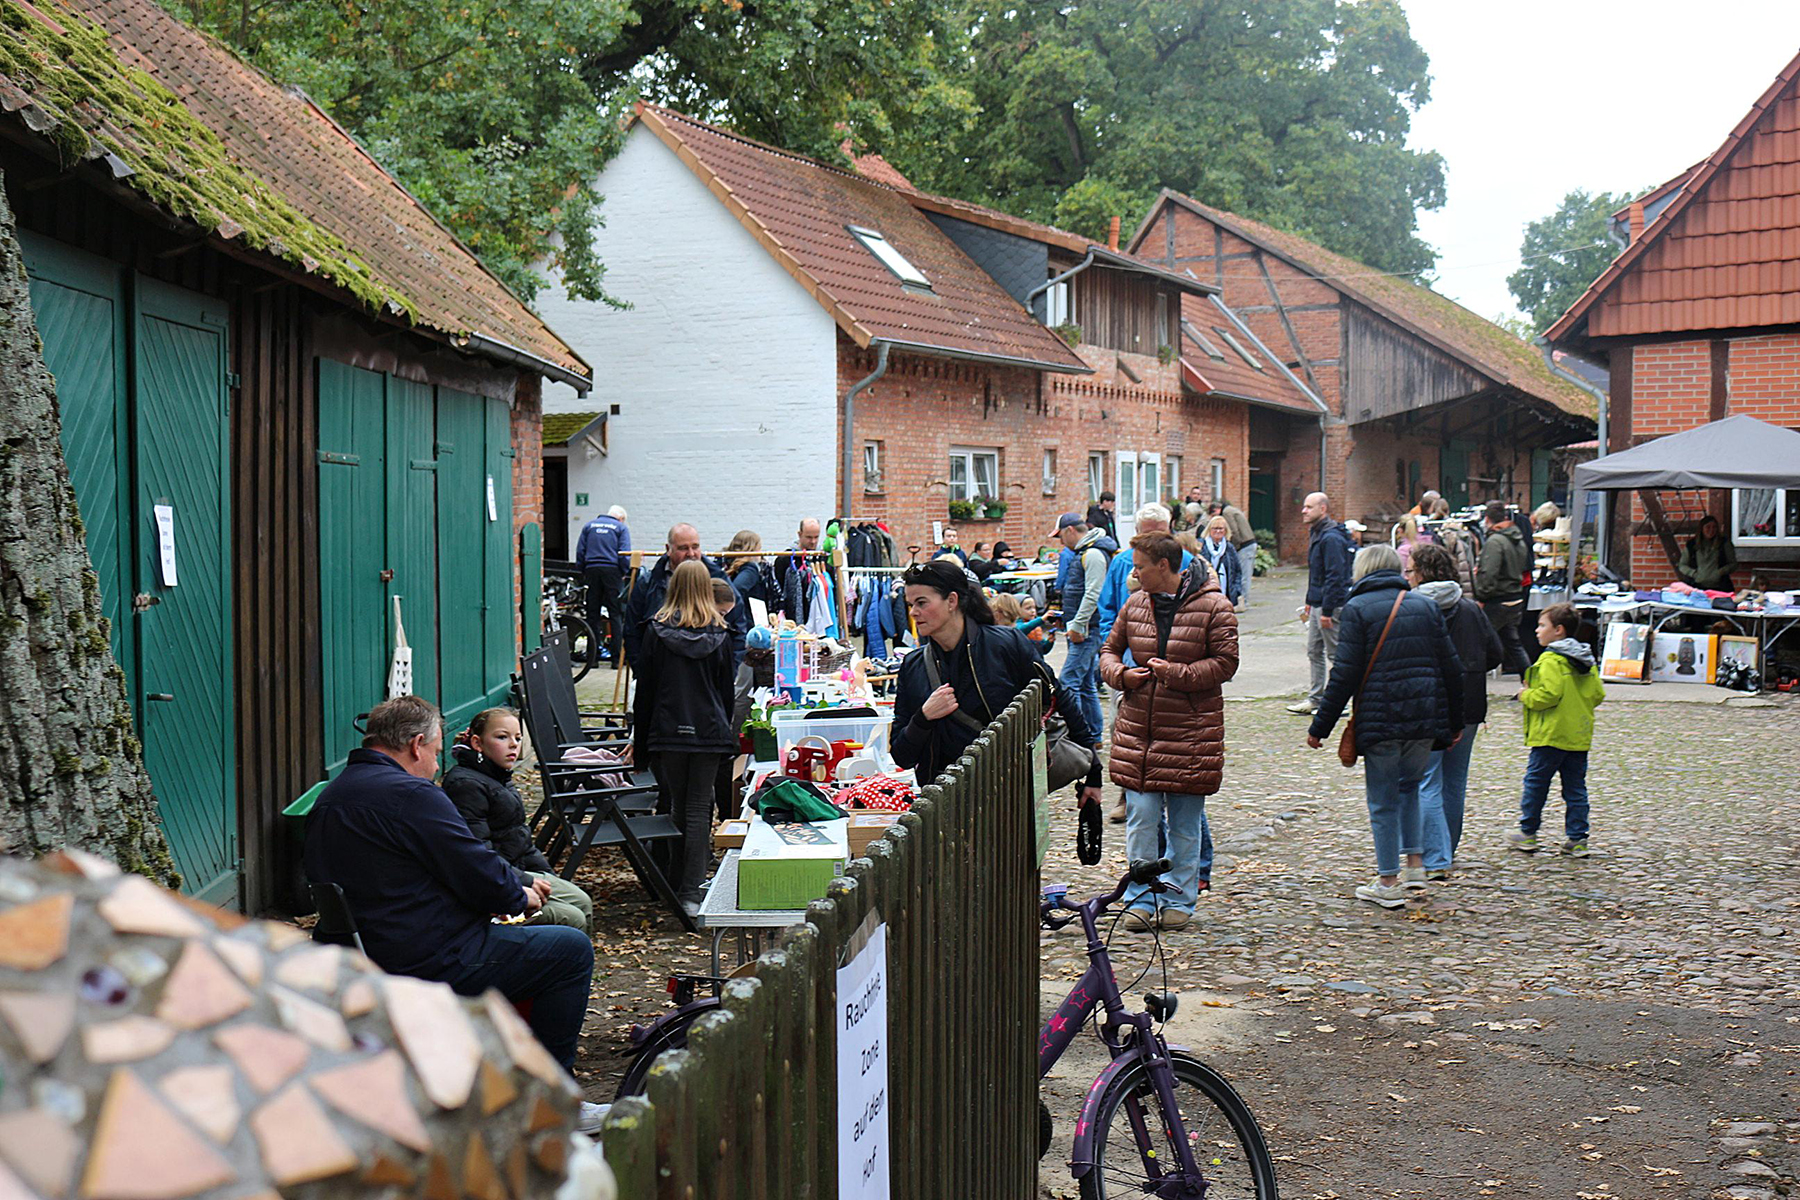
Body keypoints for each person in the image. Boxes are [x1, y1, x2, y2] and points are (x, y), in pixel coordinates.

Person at [303, 696, 603, 1129]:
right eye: (436, 752)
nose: (435, 765)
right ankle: (554, 1104)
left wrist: (507, 885)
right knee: (569, 950)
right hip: (424, 957)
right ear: (416, 745)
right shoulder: (412, 794)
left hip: (357, 954)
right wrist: (518, 895)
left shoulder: (332, 796)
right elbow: (476, 871)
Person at [1305, 544, 1465, 908]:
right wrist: (1454, 722)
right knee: (1410, 788)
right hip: (1424, 716)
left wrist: (1321, 726)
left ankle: (1388, 881)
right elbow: (1451, 668)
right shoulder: (1425, 605)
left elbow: (1345, 673)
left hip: (1382, 717)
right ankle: (1415, 866)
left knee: (1382, 800)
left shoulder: (1358, 608)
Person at [1100, 533, 1240, 929]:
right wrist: (1122, 675)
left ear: (1163, 566)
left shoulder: (1215, 606)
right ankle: (1139, 898)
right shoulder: (1135, 604)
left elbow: (1226, 663)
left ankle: (1180, 898)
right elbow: (1108, 652)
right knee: (1141, 819)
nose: (1134, 574)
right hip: (1139, 734)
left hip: (1190, 734)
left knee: (1184, 825)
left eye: (1140, 566)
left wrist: (1175, 674)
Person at [891, 559, 1103, 797]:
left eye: (921, 603)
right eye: (910, 604)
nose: (913, 612)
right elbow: (901, 756)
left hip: (1011, 794)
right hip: (946, 800)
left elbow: (1058, 698)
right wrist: (924, 717)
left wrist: (1094, 772)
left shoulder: (1005, 645)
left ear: (952, 601)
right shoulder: (914, 666)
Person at [633, 560, 737, 916]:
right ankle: (691, 892)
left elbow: (645, 691)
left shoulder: (656, 632)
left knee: (678, 805)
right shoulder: (721, 634)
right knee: (698, 809)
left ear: (673, 587)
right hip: (708, 731)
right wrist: (725, 734)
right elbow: (726, 693)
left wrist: (641, 744)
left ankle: (675, 882)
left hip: (668, 730)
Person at [441, 707, 594, 933]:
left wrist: (547, 877)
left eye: (518, 738)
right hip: (494, 885)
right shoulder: (466, 786)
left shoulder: (499, 775)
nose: (513, 744)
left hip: (515, 870)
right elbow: (478, 856)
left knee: (582, 901)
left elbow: (520, 840)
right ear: (477, 743)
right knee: (572, 917)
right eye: (502, 737)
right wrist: (526, 882)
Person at [1407, 545, 1502, 880]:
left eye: (1410, 570)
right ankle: (1447, 848)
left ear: (1421, 573)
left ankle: (1436, 857)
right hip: (1470, 704)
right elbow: (1495, 653)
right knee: (1454, 781)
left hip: (1430, 703)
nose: (1407, 576)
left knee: (1428, 780)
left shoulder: (1412, 608)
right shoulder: (1470, 609)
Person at [1509, 602, 1605, 858]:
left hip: (1550, 735)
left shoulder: (1551, 660)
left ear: (1558, 630)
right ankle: (1578, 838)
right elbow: (1598, 694)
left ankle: (1528, 832)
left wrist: (1525, 695)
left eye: (1542, 625)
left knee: (1536, 784)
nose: (1537, 630)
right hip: (1578, 735)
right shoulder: (1586, 659)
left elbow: (1548, 696)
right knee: (1575, 788)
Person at [623, 523, 748, 670]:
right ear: (668, 549)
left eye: (695, 547)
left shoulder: (719, 579)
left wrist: (729, 671)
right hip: (661, 674)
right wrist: (642, 671)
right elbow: (632, 631)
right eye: (683, 548)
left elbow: (738, 629)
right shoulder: (648, 584)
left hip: (707, 674)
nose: (691, 553)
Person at [1051, 512, 1115, 751]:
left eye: (1060, 536)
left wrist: (1078, 624)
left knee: (1068, 682)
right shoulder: (1086, 552)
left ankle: (1077, 736)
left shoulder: (1093, 553)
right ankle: (1093, 736)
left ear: (1070, 530)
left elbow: (1093, 593)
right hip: (1082, 626)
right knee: (1086, 683)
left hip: (1087, 628)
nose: (1060, 542)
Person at [1289, 492, 1353, 716]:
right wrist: (1309, 601)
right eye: (1304, 506)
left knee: (1335, 654)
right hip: (1318, 603)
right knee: (1314, 651)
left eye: (1309, 507)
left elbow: (1335, 576)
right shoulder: (1317, 533)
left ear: (1322, 509)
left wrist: (1327, 610)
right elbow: (1315, 573)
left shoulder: (1331, 538)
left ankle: (1339, 702)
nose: (1303, 510)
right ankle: (1316, 699)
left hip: (1330, 606)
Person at [1474, 501, 1533, 676]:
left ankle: (1473, 682)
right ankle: (1529, 679)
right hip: (1515, 596)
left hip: (1497, 599)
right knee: (1513, 644)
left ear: (1487, 519)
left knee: (1478, 642)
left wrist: (1481, 597)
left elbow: (1489, 573)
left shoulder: (1495, 542)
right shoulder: (1517, 539)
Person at [575, 505, 631, 664]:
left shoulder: (589, 526)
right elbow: (624, 554)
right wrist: (623, 572)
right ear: (621, 518)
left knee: (592, 614)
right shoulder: (620, 528)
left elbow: (580, 551)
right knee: (616, 614)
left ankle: (592, 658)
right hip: (612, 571)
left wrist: (583, 571)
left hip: (592, 570)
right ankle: (616, 659)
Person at [773, 517, 826, 624]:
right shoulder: (785, 559)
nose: (813, 541)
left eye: (816, 537)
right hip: (792, 616)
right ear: (799, 534)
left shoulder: (823, 558)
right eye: (809, 537)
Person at [1432, 498, 1481, 598]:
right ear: (1448, 510)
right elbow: (1468, 565)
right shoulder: (1461, 534)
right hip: (1460, 587)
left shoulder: (1430, 534)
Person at [1678, 515, 1738, 591]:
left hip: (1721, 586)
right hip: (1696, 586)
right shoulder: (1691, 545)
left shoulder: (1724, 544)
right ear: (1702, 529)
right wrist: (1694, 574)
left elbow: (1733, 564)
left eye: (1714, 527)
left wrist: (1720, 572)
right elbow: (1682, 565)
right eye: (1708, 527)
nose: (1711, 530)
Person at [722, 529, 774, 616]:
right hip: (747, 617)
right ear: (753, 549)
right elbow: (737, 590)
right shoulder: (750, 570)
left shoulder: (727, 565)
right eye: (759, 548)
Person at [1198, 514, 1245, 607]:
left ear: (1225, 531)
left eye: (1221, 528)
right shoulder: (1201, 546)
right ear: (1209, 530)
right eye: (1215, 528)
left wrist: (1236, 590)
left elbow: (1237, 570)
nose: (1218, 531)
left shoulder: (1229, 547)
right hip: (1206, 591)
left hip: (1227, 593)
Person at [1219, 497, 1257, 606]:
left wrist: (1233, 546)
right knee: (1246, 574)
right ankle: (1243, 600)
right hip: (1249, 543)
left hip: (1244, 545)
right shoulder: (1232, 509)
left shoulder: (1226, 512)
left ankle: (1243, 601)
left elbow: (1233, 530)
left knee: (1244, 575)